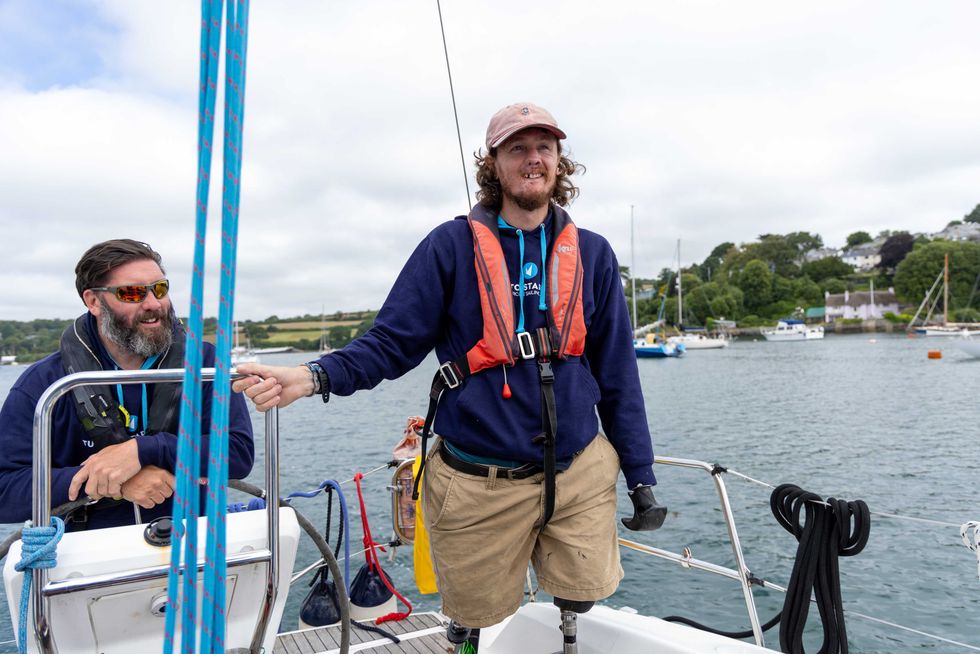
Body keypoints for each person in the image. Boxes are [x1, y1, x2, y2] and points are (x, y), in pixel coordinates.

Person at [233, 103, 665, 644]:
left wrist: (640, 476)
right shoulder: (449, 247)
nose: (533, 159)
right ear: (494, 164)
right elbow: (390, 344)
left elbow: (620, 375)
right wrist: (314, 375)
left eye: (544, 148)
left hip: (579, 474)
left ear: (560, 162)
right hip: (478, 482)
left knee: (581, 593)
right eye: (518, 149)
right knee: (472, 618)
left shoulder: (595, 255)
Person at [0, 239, 255, 530]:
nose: (153, 304)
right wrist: (115, 481)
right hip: (86, 552)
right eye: (132, 293)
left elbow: (237, 453)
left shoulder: (205, 363)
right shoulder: (47, 384)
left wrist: (145, 450)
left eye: (160, 289)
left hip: (192, 540)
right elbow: (5, 488)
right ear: (94, 301)